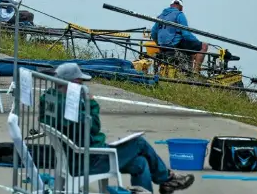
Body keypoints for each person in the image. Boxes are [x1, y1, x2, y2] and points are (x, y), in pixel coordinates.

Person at [39, 63, 195, 194]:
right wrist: (90, 103)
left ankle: (165, 180)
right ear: (72, 83)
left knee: (140, 163)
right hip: (89, 160)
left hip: (77, 157)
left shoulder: (50, 100)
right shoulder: (68, 107)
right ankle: (167, 178)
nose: (83, 87)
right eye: (81, 83)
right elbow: (92, 128)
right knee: (139, 143)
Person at [150, 0, 208, 73]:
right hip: (174, 45)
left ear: (170, 6)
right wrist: (197, 42)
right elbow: (186, 34)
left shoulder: (161, 16)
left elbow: (153, 33)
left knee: (190, 48)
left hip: (162, 47)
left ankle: (188, 71)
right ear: (181, 7)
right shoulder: (179, 14)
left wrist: (159, 44)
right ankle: (196, 73)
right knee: (203, 46)